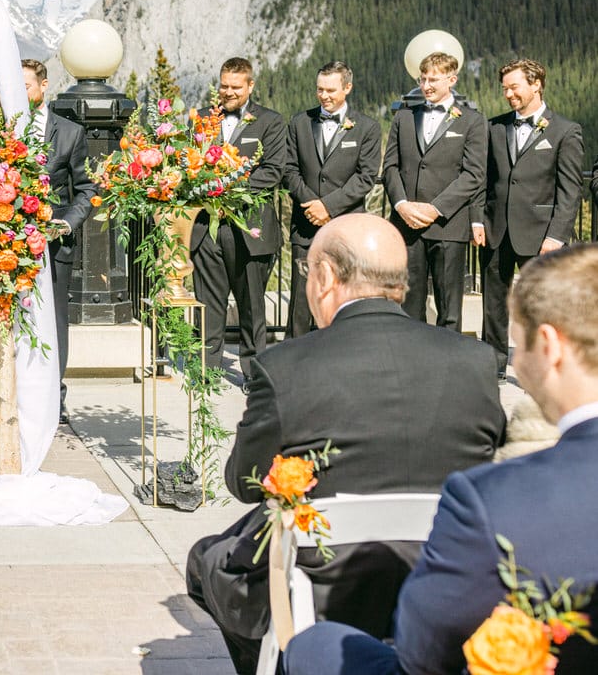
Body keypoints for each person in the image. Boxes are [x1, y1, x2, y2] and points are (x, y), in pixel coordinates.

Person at [186, 213, 504, 674]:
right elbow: (490, 466)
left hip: (324, 579)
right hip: (444, 567)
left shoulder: (285, 365)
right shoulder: (474, 361)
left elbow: (245, 480)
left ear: (326, 276)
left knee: (208, 563)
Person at [284, 243, 598, 675]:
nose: (517, 361)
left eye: (517, 340)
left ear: (549, 346)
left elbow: (421, 651)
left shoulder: (491, 499)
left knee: (316, 645)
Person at [472, 58, 584, 377]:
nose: (508, 94)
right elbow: (483, 180)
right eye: (505, 88)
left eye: (514, 87)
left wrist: (556, 235)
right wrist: (478, 220)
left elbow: (569, 190)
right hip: (496, 229)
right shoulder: (494, 127)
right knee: (493, 301)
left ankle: (545, 363)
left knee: (542, 304)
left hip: (540, 235)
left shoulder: (565, 131)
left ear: (536, 85)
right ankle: (493, 365)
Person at [189, 57, 288, 380]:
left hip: (251, 227)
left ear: (250, 86)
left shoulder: (271, 122)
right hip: (208, 228)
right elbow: (188, 163)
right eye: (224, 86)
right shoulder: (202, 119)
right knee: (209, 304)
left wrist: (225, 187)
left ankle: (253, 374)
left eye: (235, 87)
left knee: (252, 307)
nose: (228, 92)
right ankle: (206, 372)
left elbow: (272, 171)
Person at [382, 50, 488, 333]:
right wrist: (402, 204)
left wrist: (435, 208)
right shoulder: (404, 117)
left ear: (452, 79)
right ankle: (410, 367)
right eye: (423, 78)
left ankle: (447, 370)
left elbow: (474, 174)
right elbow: (390, 167)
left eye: (434, 80)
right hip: (407, 224)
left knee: (449, 308)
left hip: (447, 225)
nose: (426, 85)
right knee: (407, 304)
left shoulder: (472, 121)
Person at [282, 61, 382, 337]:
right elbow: (289, 170)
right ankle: (296, 360)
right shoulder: (300, 122)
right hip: (305, 225)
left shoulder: (367, 128)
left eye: (330, 90)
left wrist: (328, 206)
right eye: (319, 90)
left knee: (343, 294)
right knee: (302, 298)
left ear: (347, 88)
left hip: (346, 226)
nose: (324, 96)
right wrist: (311, 204)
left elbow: (366, 177)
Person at [23, 58, 96, 423]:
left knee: (54, 322)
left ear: (43, 85)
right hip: (9, 244)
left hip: (54, 246)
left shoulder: (70, 132)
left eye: (26, 86)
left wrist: (66, 225)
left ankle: (55, 396)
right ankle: (12, 394)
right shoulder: (1, 128)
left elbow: (86, 189)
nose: (21, 93)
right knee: (12, 320)